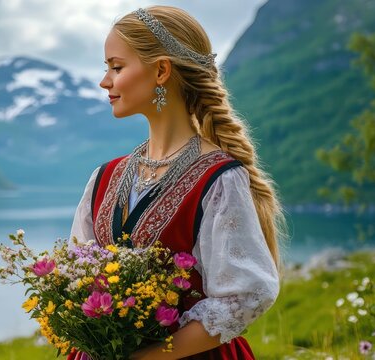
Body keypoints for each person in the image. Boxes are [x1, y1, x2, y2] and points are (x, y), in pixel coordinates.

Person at [68, 6, 285, 360]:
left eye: (116, 67)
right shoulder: (103, 178)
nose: (105, 81)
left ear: (161, 70)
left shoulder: (220, 179)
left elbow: (246, 297)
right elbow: (76, 276)